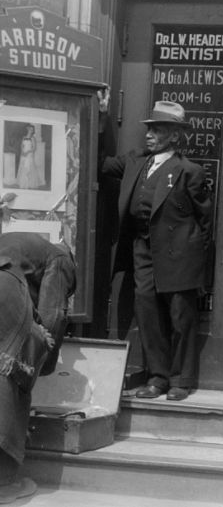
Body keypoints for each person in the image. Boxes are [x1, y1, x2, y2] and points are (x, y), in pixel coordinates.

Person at [100, 100, 212, 402]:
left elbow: (205, 223)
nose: (149, 135)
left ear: (174, 136)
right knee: (147, 312)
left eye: (157, 130)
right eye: (149, 129)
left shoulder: (190, 171)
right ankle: (158, 378)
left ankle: (180, 380)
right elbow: (100, 163)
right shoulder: (136, 161)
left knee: (180, 316)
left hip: (179, 254)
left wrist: (197, 265)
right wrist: (100, 116)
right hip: (142, 249)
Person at [0, 233, 75, 504]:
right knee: (11, 380)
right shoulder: (62, 259)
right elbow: (52, 314)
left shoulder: (20, 242)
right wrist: (42, 365)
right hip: (4, 294)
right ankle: (4, 483)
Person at [16, 124, 42, 190]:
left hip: (29, 154)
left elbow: (34, 148)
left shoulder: (33, 138)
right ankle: (23, 183)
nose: (31, 130)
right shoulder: (24, 137)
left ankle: (29, 184)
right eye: (30, 129)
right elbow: (21, 146)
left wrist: (27, 152)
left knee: (29, 167)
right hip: (23, 154)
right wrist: (22, 152)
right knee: (23, 167)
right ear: (27, 129)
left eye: (32, 130)